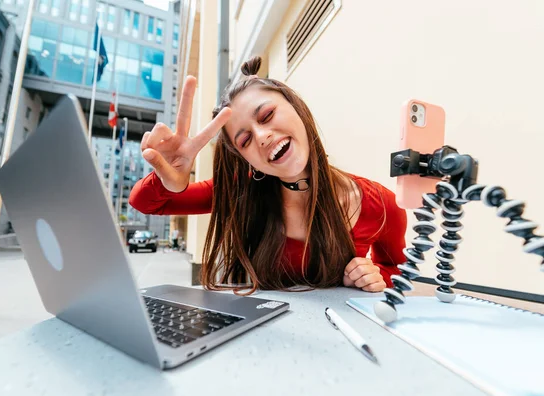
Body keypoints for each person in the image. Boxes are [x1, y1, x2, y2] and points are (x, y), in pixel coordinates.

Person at [130, 56, 407, 294]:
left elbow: (396, 270)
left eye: (266, 115)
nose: (262, 137)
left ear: (297, 107)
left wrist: (372, 277)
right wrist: (171, 180)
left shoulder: (383, 205)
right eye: (245, 140)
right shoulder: (242, 193)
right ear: (248, 161)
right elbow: (144, 202)